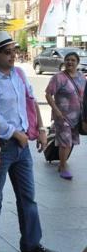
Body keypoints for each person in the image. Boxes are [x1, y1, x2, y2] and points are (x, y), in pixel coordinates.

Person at [0, 31, 59, 252]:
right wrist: (15, 133)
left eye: (14, 50)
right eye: (7, 52)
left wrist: (42, 129)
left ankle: (31, 242)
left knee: (28, 196)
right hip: (1, 145)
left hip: (23, 145)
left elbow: (31, 102)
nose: (13, 55)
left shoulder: (20, 74)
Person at [45, 51, 86, 179]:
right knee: (65, 142)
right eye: (67, 59)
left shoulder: (81, 77)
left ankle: (62, 163)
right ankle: (63, 166)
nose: (70, 62)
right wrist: (56, 111)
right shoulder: (58, 77)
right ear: (64, 62)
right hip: (62, 116)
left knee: (71, 141)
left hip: (77, 116)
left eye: (73, 60)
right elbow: (48, 94)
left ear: (77, 63)